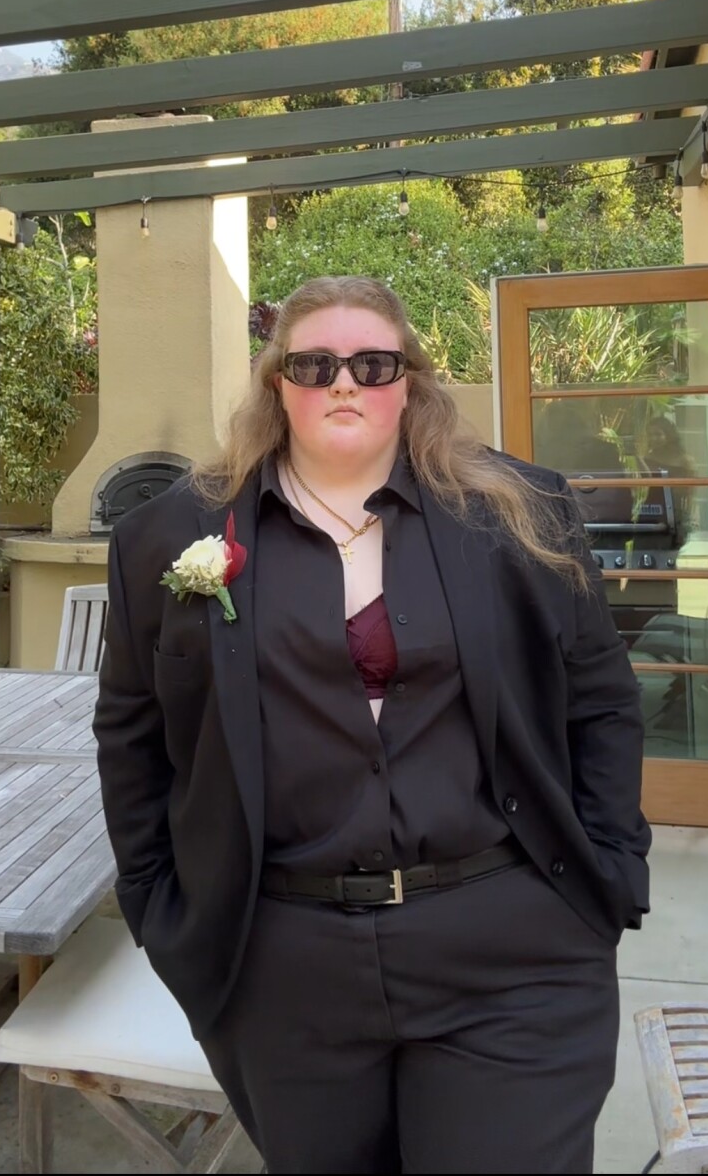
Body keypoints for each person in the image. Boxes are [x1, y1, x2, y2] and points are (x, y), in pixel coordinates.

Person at [94, 275, 650, 1176]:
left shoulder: (520, 513)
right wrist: (158, 908)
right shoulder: (167, 536)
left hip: (509, 941)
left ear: (410, 381)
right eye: (315, 364)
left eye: (373, 364)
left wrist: (614, 869)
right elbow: (130, 735)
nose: (344, 382)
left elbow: (602, 701)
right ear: (278, 382)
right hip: (284, 961)